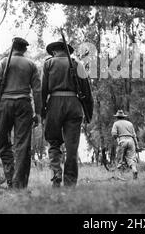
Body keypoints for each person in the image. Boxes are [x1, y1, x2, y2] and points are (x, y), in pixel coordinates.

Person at [0, 37, 42, 189]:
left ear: (12, 48)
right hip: (24, 105)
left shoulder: (4, 62)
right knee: (22, 145)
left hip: (4, 105)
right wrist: (38, 113)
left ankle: (10, 178)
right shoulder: (31, 64)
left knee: (3, 144)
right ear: (24, 49)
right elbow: (37, 90)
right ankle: (19, 184)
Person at [41, 38, 93, 188]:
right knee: (72, 147)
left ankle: (56, 175)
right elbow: (87, 92)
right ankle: (70, 184)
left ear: (56, 51)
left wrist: (42, 110)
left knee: (54, 142)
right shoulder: (78, 64)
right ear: (66, 50)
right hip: (74, 105)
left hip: (54, 104)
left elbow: (43, 90)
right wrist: (88, 113)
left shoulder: (48, 64)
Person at [111, 110, 139, 180]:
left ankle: (120, 176)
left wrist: (118, 140)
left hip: (122, 140)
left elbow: (114, 134)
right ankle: (134, 170)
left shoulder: (116, 123)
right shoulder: (130, 123)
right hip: (131, 141)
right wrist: (137, 145)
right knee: (131, 159)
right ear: (123, 117)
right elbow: (134, 135)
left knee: (120, 159)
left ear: (117, 117)